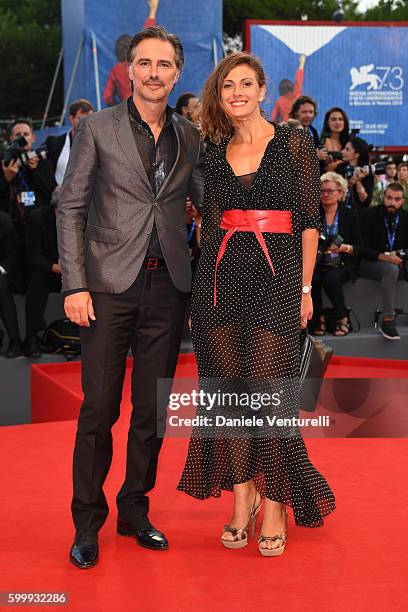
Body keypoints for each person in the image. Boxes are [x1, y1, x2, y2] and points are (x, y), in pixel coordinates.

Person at [57, 25, 204, 569]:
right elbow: (70, 206)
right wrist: (74, 284)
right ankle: (86, 523)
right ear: (130, 69)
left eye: (164, 65)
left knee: (152, 411)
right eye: (145, 63)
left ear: (177, 72)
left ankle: (134, 509)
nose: (154, 73)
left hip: (168, 287)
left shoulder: (189, 136)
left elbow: (204, 206)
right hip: (104, 288)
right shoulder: (96, 127)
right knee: (98, 410)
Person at [177, 52, 335, 557]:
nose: (237, 92)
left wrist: (306, 289)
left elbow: (310, 219)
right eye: (228, 86)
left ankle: (274, 504)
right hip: (220, 281)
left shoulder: (292, 139)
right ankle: (241, 497)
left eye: (246, 83)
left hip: (278, 279)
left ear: (264, 90)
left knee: (268, 396)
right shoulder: (213, 145)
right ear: (219, 96)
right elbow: (208, 223)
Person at [0, 118, 56, 292]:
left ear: (33, 138)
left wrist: (35, 171)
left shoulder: (41, 160)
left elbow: (50, 192)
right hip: (11, 224)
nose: (22, 138)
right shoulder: (4, 161)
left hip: (36, 225)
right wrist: (7, 178)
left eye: (26, 134)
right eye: (18, 135)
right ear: (11, 139)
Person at [312, 172, 361, 337]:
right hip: (318, 261)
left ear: (340, 193)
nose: (325, 194)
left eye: (330, 191)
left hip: (343, 261)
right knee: (313, 277)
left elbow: (359, 246)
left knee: (331, 278)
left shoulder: (350, 215)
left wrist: (344, 248)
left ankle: (342, 318)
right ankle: (319, 319)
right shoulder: (314, 213)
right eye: (321, 190)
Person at [359, 182, 408, 340]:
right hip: (369, 263)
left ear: (402, 201)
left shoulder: (406, 218)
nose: (392, 203)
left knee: (394, 267)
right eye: (389, 198)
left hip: (398, 262)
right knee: (390, 269)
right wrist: (385, 257)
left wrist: (401, 256)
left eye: (397, 199)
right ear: (383, 197)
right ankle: (388, 320)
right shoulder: (368, 215)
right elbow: (360, 248)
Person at [23, 194, 61, 357]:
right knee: (37, 281)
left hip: (71, 268)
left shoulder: (82, 218)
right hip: (47, 269)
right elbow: (33, 256)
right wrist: (56, 268)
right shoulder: (37, 218)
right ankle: (32, 336)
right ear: (56, 207)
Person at [103, 0, 160, 106]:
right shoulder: (141, 63)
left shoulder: (117, 69)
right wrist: (152, 11)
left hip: (127, 109)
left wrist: (119, 108)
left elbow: (107, 96)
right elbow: (147, 37)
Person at [45, 99, 94, 185]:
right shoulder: (54, 143)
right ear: (71, 119)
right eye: (81, 118)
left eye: (90, 118)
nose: (86, 122)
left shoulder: (99, 144)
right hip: (60, 196)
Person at [0, 211, 22, 357]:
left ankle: (15, 341)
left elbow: (13, 249)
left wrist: (1, 268)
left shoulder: (4, 219)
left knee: (1, 287)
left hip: (1, 269)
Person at [337, 136, 374, 209]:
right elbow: (337, 193)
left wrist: (358, 182)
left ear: (357, 154)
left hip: (359, 215)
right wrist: (350, 182)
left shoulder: (366, 171)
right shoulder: (340, 168)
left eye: (347, 149)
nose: (342, 151)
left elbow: (366, 201)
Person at [289, 95, 327, 164]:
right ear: (295, 113)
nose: (308, 115)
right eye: (304, 112)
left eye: (311, 112)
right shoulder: (288, 129)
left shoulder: (313, 131)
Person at [271, 55, 305, 123]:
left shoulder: (279, 101)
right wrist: (302, 64)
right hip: (298, 126)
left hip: (285, 128)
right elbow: (299, 80)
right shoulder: (296, 94)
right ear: (291, 87)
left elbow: (273, 117)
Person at [319, 107, 350, 173]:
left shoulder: (350, 141)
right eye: (333, 119)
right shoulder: (323, 141)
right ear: (327, 122)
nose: (337, 122)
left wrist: (336, 164)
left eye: (340, 119)